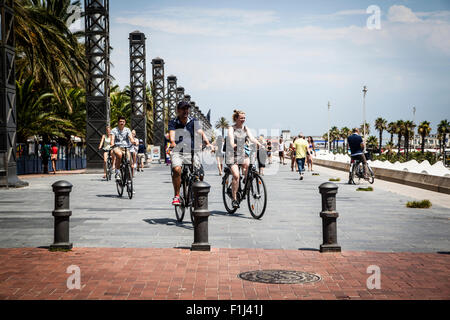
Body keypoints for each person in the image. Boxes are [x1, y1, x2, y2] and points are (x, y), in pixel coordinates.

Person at [169, 101, 212, 206]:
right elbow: (172, 134)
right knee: (176, 169)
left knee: (200, 173)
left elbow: (200, 132)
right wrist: (173, 143)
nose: (186, 111)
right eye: (183, 109)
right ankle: (177, 196)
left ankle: (195, 192)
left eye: (187, 109)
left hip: (191, 150)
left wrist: (207, 143)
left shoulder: (194, 121)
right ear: (178, 110)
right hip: (178, 150)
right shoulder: (173, 121)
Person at [226, 109, 264, 209]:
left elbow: (251, 138)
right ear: (236, 118)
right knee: (236, 175)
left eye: (244, 118)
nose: (243, 119)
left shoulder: (245, 128)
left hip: (242, 153)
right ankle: (234, 199)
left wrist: (259, 144)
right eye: (241, 118)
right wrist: (232, 144)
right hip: (232, 154)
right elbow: (230, 138)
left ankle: (246, 181)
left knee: (248, 166)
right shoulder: (231, 128)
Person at [111, 116, 137, 181]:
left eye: (123, 122)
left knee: (130, 163)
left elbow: (130, 138)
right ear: (118, 122)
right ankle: (117, 172)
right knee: (119, 155)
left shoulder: (127, 130)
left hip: (125, 147)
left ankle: (129, 180)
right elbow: (112, 139)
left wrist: (133, 141)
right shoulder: (114, 130)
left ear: (125, 123)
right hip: (117, 147)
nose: (122, 123)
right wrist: (112, 144)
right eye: (120, 121)